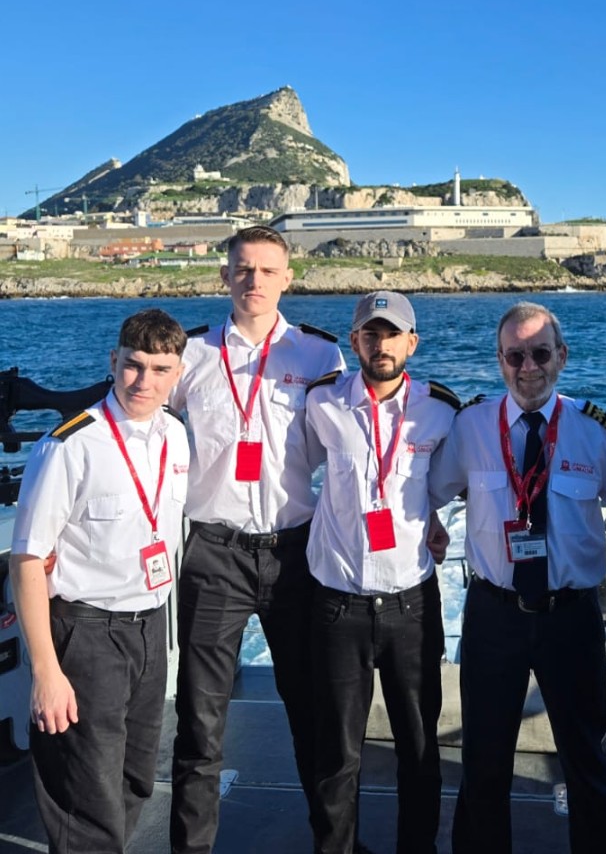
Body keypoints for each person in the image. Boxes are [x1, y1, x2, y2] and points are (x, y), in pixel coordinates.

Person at [430, 301, 606, 854]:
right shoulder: (472, 426)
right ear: (499, 360)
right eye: (515, 356)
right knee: (484, 762)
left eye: (540, 354)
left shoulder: (593, 431)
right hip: (493, 616)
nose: (528, 368)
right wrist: (428, 524)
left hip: (570, 616)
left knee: (585, 760)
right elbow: (428, 492)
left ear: (562, 357)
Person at [170, 225, 344, 854]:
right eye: (243, 269)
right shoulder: (190, 354)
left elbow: (349, 451)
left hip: (295, 551)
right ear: (225, 276)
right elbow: (147, 436)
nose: (255, 281)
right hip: (213, 552)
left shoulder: (319, 355)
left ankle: (334, 843)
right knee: (200, 718)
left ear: (287, 279)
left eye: (268, 270)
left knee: (313, 710)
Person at [11, 308, 189, 853]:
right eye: (133, 365)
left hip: (149, 628)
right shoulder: (69, 446)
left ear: (178, 373)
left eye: (160, 369)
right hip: (86, 635)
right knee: (86, 800)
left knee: (134, 781)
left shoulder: (175, 436)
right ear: (113, 361)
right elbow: (27, 561)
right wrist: (46, 672)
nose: (144, 381)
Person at [304, 291, 458, 854]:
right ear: (355, 341)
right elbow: (291, 468)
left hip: (409, 605)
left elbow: (449, 482)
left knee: (418, 748)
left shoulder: (440, 410)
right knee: (337, 755)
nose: (381, 344)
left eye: (392, 334)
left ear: (411, 342)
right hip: (337, 604)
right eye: (371, 333)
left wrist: (438, 520)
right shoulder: (321, 402)